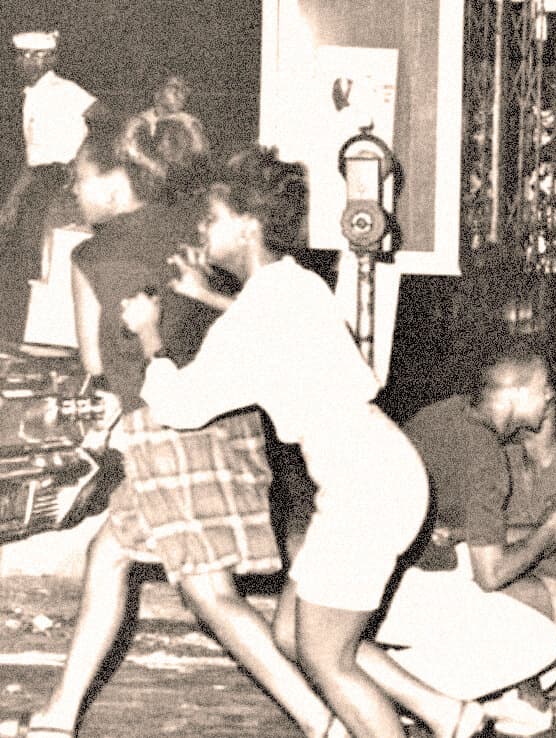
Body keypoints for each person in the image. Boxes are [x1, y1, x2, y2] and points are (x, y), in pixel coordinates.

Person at [120, 145, 483, 738]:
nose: (204, 231)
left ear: (249, 226)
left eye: (212, 219)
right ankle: (450, 714)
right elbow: (271, 329)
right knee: (295, 635)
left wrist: (149, 333)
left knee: (326, 658)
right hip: (379, 469)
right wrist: (207, 295)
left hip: (364, 488)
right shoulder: (297, 284)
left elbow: (179, 406)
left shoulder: (253, 318)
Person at [0, 116, 337, 738]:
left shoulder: (92, 253)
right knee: (109, 557)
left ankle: (322, 722)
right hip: (230, 420)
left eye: (79, 181)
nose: (74, 195)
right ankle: (57, 718)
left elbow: (98, 363)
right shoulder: (199, 228)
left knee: (211, 594)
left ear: (113, 183)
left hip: (166, 427)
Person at [395, 343, 556, 736]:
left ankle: (513, 691)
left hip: (545, 585)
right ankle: (408, 691)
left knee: (488, 583)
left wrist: (466, 535)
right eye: (545, 387)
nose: (551, 396)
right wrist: (547, 527)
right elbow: (501, 555)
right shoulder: (494, 454)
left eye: (554, 390)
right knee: (505, 606)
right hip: (466, 579)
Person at [0, 30, 106, 345]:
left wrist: (81, 162)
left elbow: (107, 121)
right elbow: (35, 157)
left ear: (52, 59)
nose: (27, 61)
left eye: (36, 55)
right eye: (23, 55)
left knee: (44, 260)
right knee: (21, 258)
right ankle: (14, 338)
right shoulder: (30, 95)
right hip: (37, 182)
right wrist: (12, 199)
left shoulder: (64, 90)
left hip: (59, 184)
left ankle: (36, 339)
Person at [131, 74, 207, 152]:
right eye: (174, 87)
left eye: (184, 90)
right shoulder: (139, 122)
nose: (180, 95)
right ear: (157, 92)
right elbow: (126, 151)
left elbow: (200, 153)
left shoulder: (189, 123)